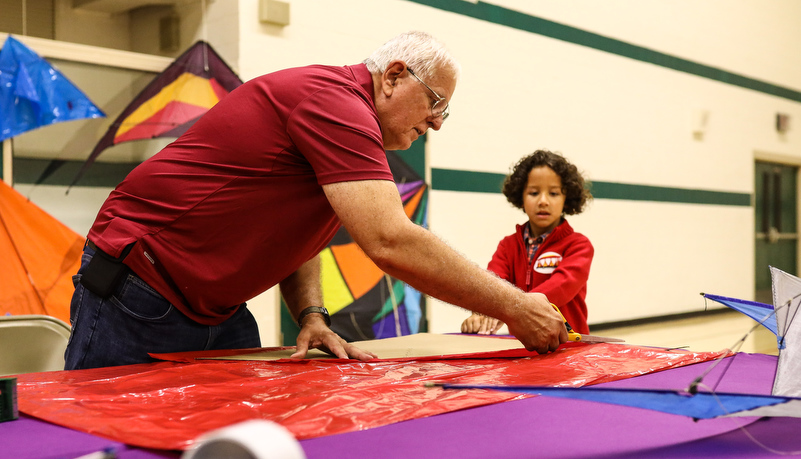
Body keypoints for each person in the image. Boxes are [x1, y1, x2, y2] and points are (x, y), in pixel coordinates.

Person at [65, 31, 568, 370]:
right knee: (110, 440)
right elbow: (389, 240)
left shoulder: (346, 118)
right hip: (139, 289)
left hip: (214, 307)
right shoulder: (336, 103)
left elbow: (298, 231)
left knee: (238, 436)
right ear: (393, 77)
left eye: (446, 113)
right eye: (436, 103)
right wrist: (516, 305)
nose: (437, 122)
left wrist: (311, 314)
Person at [461, 150, 594, 335]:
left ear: (567, 198)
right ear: (521, 197)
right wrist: (481, 312)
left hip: (570, 347)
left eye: (554, 193)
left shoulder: (579, 245)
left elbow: (562, 285)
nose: (543, 201)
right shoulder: (508, 246)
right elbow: (492, 283)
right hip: (525, 344)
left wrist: (513, 307)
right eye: (533, 192)